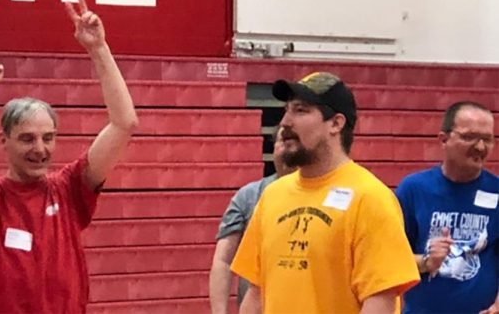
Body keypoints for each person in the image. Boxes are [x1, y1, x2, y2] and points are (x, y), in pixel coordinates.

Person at [0, 0, 138, 313]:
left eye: (48, 138)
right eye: (27, 139)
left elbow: (124, 122)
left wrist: (99, 49)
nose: (40, 149)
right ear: (3, 141)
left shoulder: (70, 189)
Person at [231, 71, 420, 314]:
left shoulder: (370, 198)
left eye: (301, 110)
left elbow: (380, 300)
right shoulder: (272, 196)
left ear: (335, 123)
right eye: (287, 110)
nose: (286, 122)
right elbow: (256, 293)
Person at [395, 101, 499, 314]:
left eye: (487, 139)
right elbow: (390, 259)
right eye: (469, 137)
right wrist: (427, 261)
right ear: (444, 139)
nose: (480, 147)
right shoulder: (414, 189)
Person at [209, 125, 295, 314]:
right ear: (273, 148)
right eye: (282, 141)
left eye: (293, 142)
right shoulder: (249, 195)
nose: (287, 148)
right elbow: (223, 260)